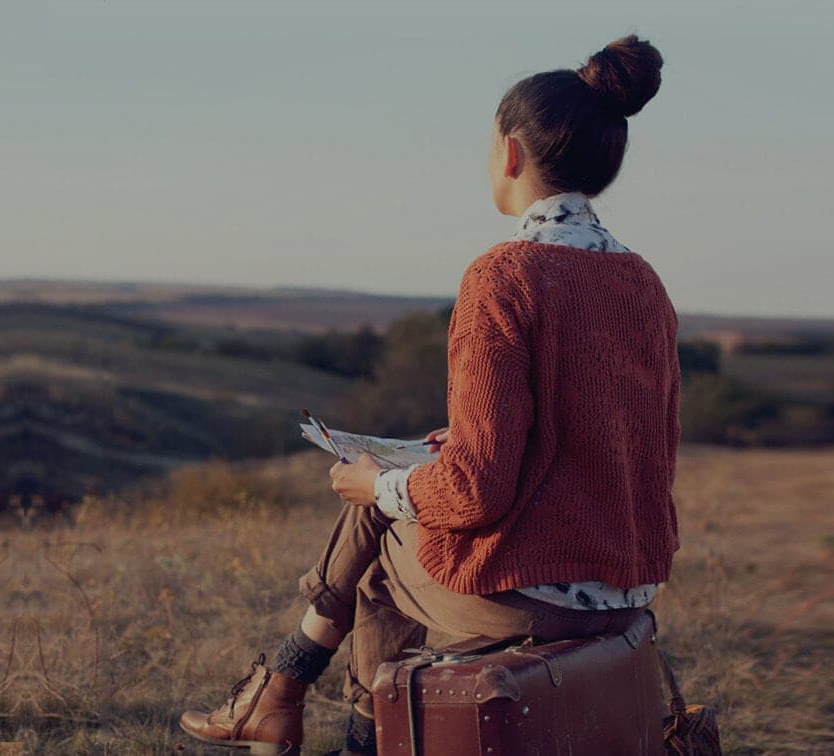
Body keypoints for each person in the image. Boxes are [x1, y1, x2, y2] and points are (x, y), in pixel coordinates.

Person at [179, 34, 679, 756]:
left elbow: (477, 492)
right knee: (392, 497)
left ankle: (305, 707)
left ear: (510, 153)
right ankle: (282, 698)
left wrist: (380, 486)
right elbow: (622, 445)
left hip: (533, 598)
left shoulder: (503, 277)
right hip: (627, 588)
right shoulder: (643, 282)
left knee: (378, 544)